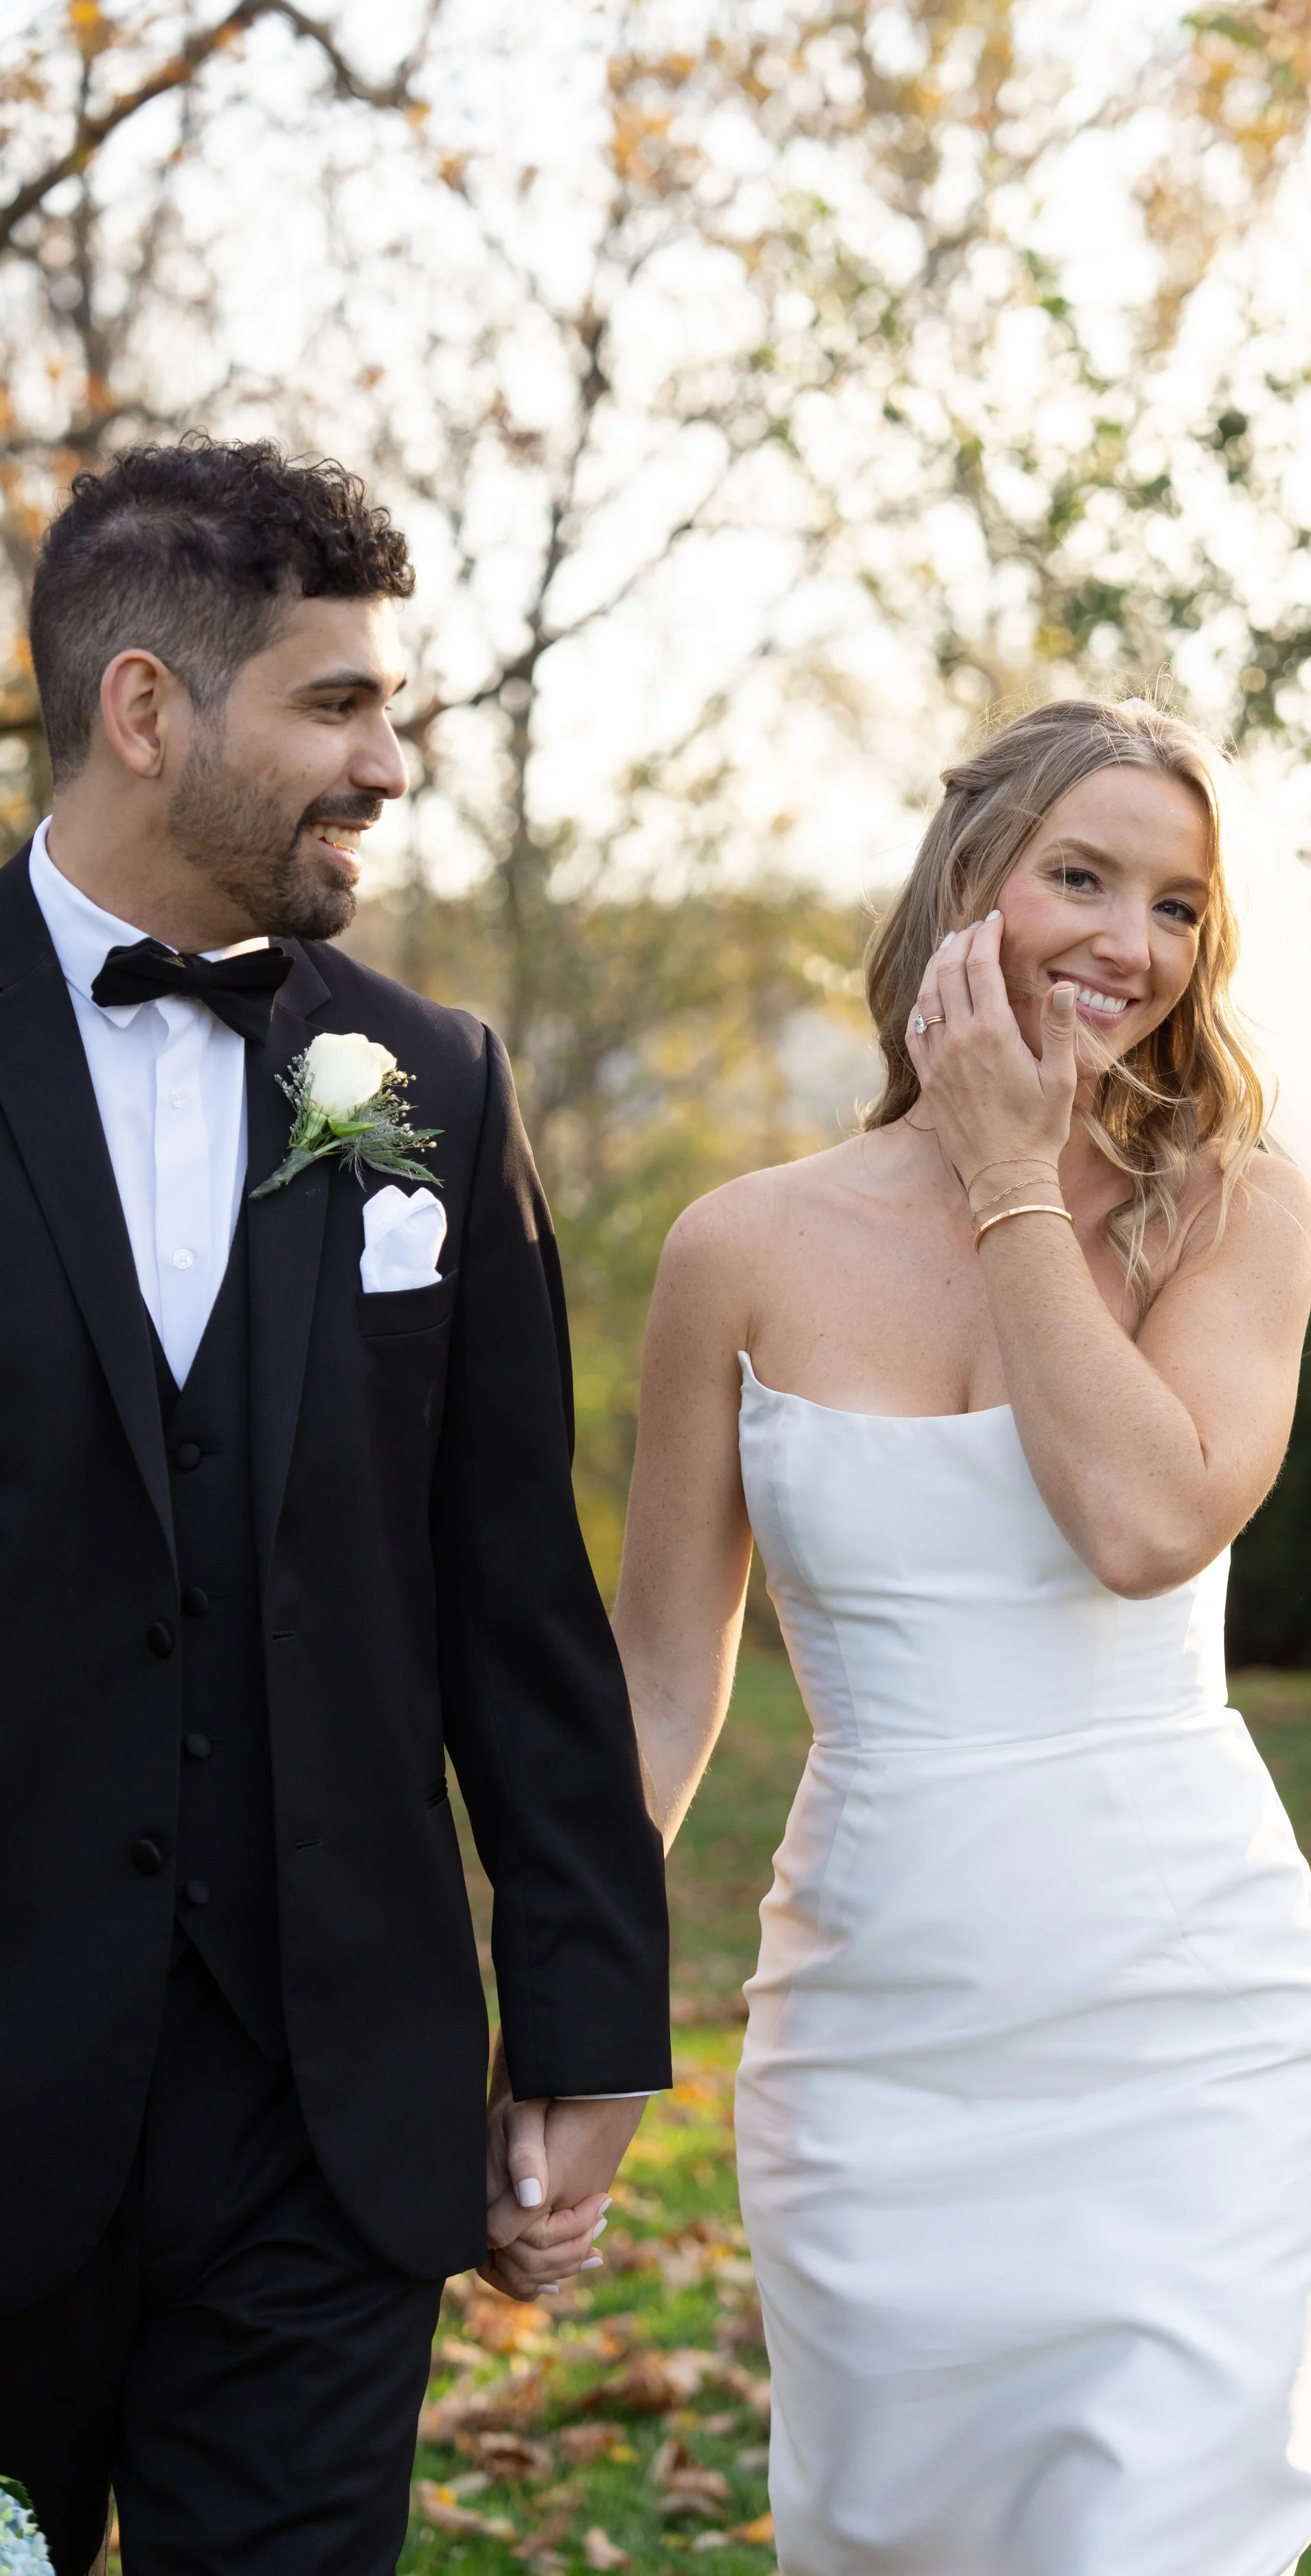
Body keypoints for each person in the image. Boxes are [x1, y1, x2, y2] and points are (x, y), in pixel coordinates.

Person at [0, 439, 671, 2576]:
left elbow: (512, 1594)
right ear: (142, 708)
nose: (390, 762)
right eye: (336, 704)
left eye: (398, 706)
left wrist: (579, 2021)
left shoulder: (433, 1086)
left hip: (324, 2123)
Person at [604, 697, 1311, 2575]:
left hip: (1187, 2027)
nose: (1128, 939)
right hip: (874, 2040)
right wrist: (573, 2024)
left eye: (1176, 905)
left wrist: (1019, 1177)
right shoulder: (739, 1248)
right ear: (964, 884)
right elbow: (664, 1686)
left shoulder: (1235, 1213)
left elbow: (1142, 1521)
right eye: (1080, 876)